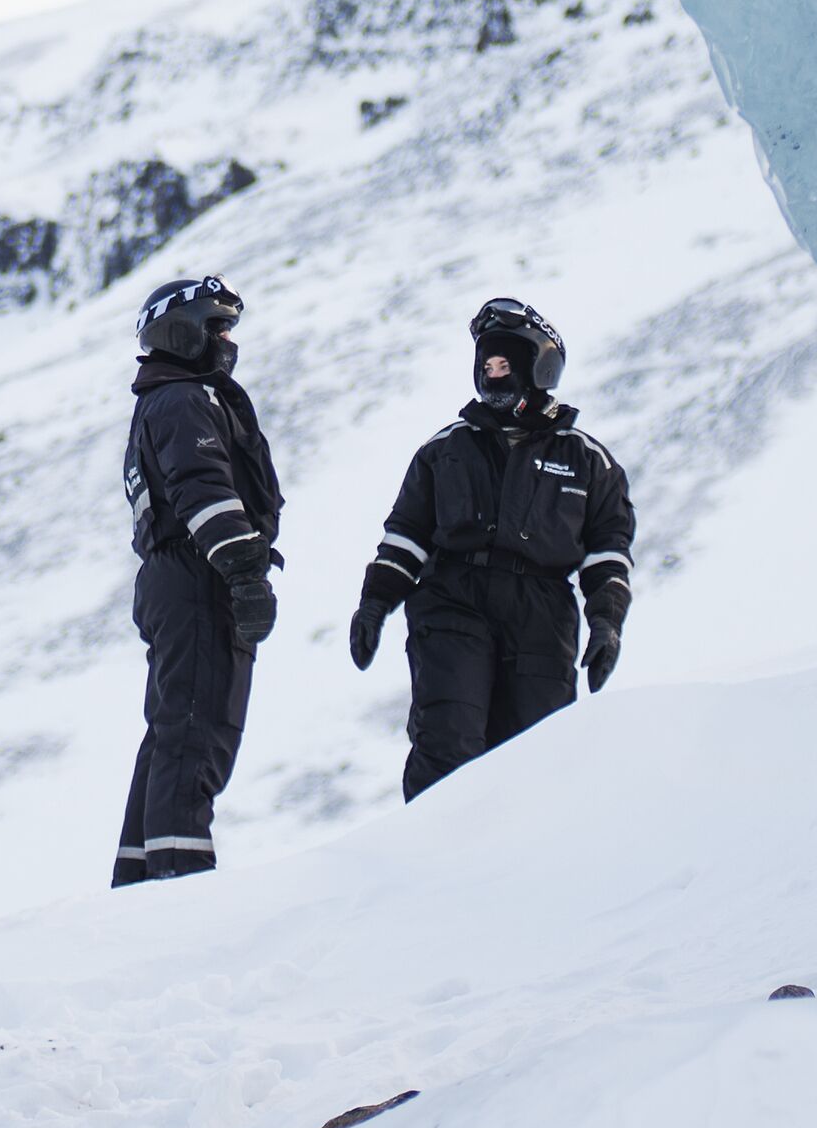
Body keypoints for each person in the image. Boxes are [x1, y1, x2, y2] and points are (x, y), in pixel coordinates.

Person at [345, 296, 636, 799]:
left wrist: (607, 622)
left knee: (535, 756)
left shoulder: (588, 460)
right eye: (486, 365)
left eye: (506, 364)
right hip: (454, 597)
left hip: (542, 612)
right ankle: (429, 864)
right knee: (449, 744)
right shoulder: (446, 449)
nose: (494, 375)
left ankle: (522, 871)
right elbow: (405, 536)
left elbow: (608, 552)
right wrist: (375, 602)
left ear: (538, 369)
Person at [112, 273, 282, 886]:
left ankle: (138, 880)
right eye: (217, 326)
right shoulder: (185, 399)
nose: (228, 340)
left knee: (171, 733)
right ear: (180, 330)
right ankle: (178, 889)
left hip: (173, 577)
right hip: (197, 576)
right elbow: (203, 489)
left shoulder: (164, 399)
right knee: (196, 736)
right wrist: (243, 573)